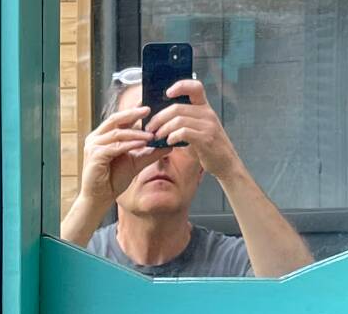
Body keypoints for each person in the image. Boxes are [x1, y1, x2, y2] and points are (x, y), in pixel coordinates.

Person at [61, 66, 313, 278]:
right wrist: (93, 199)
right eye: (141, 135)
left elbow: (299, 296)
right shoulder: (80, 258)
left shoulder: (234, 263)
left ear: (201, 167)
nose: (159, 154)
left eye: (175, 136)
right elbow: (37, 296)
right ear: (110, 156)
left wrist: (229, 167)